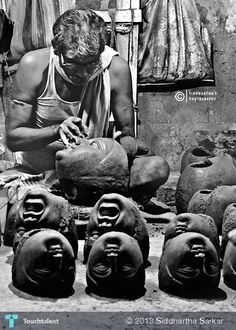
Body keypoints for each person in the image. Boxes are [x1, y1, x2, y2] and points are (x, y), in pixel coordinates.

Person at [5, 9, 137, 174]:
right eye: (73, 63)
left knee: (154, 169)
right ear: (56, 49)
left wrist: (123, 153)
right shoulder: (33, 65)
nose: (82, 74)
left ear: (101, 51)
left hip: (90, 169)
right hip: (35, 169)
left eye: (91, 64)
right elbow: (14, 139)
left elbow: (126, 134)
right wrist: (57, 130)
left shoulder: (116, 68)